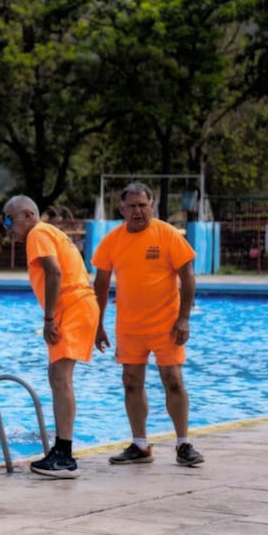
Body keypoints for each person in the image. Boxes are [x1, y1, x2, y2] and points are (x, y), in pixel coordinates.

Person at [92, 182, 204, 468]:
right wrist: (98, 324)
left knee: (173, 381)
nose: (138, 211)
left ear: (152, 206)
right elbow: (101, 284)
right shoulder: (112, 240)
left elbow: (188, 277)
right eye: (132, 206)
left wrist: (183, 319)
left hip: (166, 325)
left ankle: (183, 443)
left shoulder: (167, 235)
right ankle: (140, 445)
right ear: (122, 209)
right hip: (129, 326)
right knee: (131, 382)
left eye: (143, 205)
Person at [2, 194, 101, 479]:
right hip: (75, 306)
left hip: (72, 307)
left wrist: (48, 318)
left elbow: (54, 271)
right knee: (59, 377)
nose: (7, 226)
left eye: (9, 219)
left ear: (27, 215)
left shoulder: (38, 233)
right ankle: (62, 450)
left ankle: (64, 455)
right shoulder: (46, 232)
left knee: (60, 377)